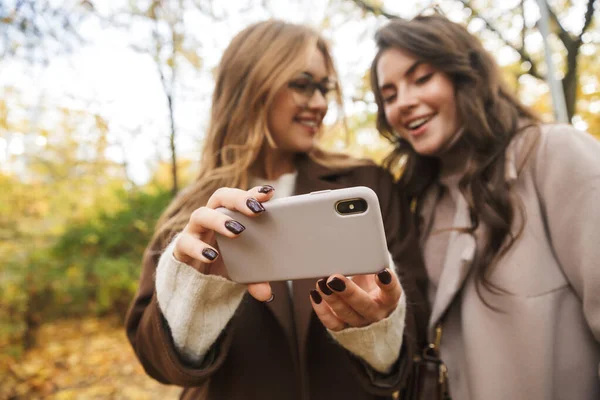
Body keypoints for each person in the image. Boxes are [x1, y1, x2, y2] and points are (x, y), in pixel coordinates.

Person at [125, 19, 422, 400]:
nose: (319, 103)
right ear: (251, 84)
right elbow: (156, 360)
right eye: (302, 84)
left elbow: (414, 322)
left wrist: (377, 327)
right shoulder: (194, 210)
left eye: (324, 88)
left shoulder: (365, 185)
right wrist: (197, 295)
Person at [370, 12, 600, 400]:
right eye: (389, 96)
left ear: (466, 75)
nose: (405, 103)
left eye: (422, 78)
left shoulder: (552, 153)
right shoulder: (421, 202)